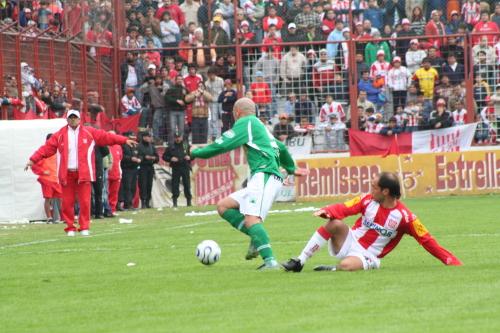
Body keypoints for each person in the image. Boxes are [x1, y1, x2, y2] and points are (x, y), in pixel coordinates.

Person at [190, 98, 308, 270]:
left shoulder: (246, 123)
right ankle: (256, 238)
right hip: (264, 177)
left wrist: (197, 152)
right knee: (224, 206)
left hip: (264, 176)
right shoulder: (261, 127)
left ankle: (270, 262)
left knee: (252, 219)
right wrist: (291, 168)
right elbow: (281, 148)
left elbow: (222, 144)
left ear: (237, 113)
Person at [282, 172, 462, 272]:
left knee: (346, 266)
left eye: (374, 187)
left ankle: (333, 269)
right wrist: (327, 211)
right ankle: (300, 261)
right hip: (350, 239)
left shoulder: (405, 217)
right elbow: (345, 208)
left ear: (385, 191)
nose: (370, 190)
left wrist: (450, 260)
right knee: (334, 223)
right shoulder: (367, 200)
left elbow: (427, 240)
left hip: (368, 255)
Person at [25, 110, 136, 236]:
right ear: (67, 119)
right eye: (70, 118)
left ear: (79, 119)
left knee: (84, 202)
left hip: (84, 173)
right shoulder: (59, 135)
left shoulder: (89, 132)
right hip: (67, 174)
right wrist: (32, 159)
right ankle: (70, 227)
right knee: (67, 203)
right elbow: (46, 149)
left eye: (75, 118)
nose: (73, 120)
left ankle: (84, 227)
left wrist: (123, 140)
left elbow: (107, 137)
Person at [31, 133, 62, 224]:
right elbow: (34, 165)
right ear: (48, 141)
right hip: (47, 180)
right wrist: (43, 172)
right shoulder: (43, 152)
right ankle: (49, 218)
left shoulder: (57, 151)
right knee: (48, 198)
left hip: (56, 179)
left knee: (61, 198)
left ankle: (63, 217)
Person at [162, 132, 192, 207]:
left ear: (181, 137)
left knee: (187, 184)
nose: (177, 139)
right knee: (175, 184)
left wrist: (190, 157)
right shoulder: (171, 147)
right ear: (174, 138)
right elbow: (164, 157)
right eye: (176, 137)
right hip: (176, 167)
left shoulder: (186, 145)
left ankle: (189, 201)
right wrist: (171, 158)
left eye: (179, 137)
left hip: (185, 167)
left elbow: (192, 155)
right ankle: (175, 202)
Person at [120, 131, 141, 211]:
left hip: (134, 168)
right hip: (126, 168)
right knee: (127, 187)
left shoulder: (136, 146)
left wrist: (139, 159)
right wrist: (130, 158)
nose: (133, 138)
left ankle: (130, 203)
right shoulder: (123, 145)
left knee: (133, 187)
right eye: (131, 136)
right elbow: (122, 156)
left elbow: (140, 154)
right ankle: (127, 204)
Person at [138, 131, 159, 209]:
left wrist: (154, 158)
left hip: (150, 167)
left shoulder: (152, 146)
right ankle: (143, 202)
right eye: (148, 136)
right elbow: (138, 155)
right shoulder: (139, 146)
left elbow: (157, 157)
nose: (150, 138)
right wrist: (144, 157)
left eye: (150, 137)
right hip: (142, 168)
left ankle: (147, 202)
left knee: (149, 185)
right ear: (144, 137)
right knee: (143, 185)